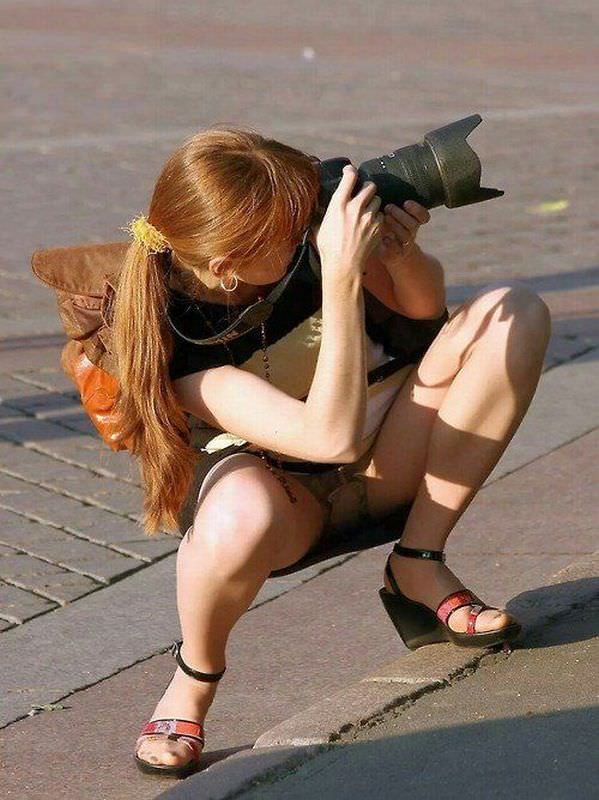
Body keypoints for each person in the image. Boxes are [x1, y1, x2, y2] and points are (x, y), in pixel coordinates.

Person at [112, 127, 551, 777]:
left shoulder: (299, 247)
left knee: (511, 310)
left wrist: (398, 254)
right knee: (239, 510)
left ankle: (417, 563)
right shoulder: (174, 336)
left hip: (386, 461)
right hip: (287, 505)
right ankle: (194, 677)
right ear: (229, 264)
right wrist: (340, 276)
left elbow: (424, 310)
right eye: (289, 230)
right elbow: (329, 439)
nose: (305, 231)